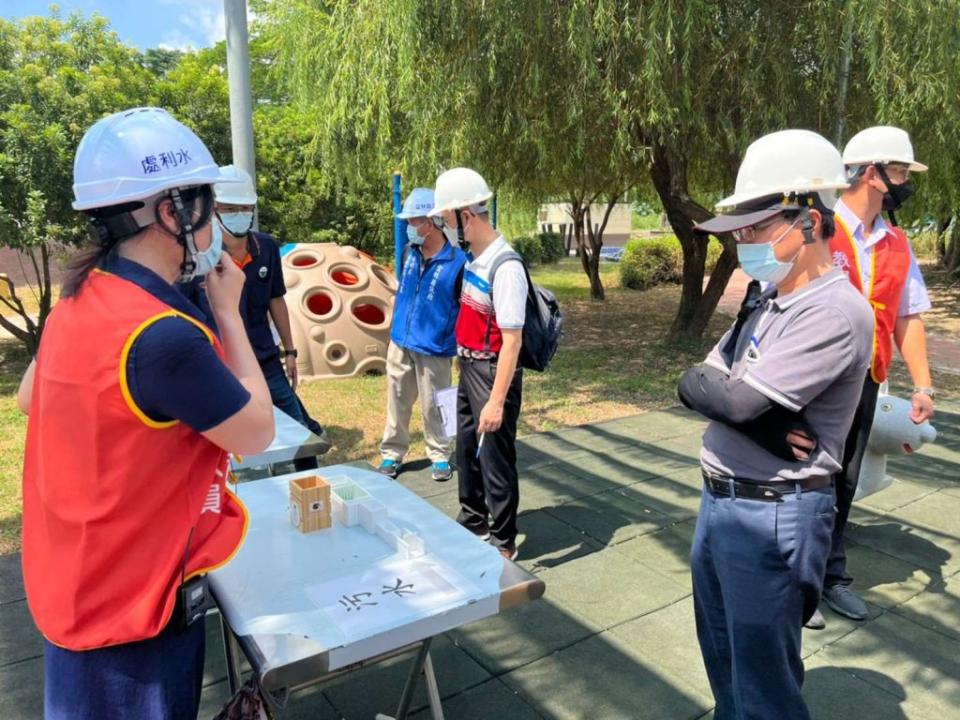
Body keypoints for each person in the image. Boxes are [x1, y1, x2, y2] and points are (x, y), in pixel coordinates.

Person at [17, 107, 274, 719]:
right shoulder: (161, 335)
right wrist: (231, 314)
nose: (217, 224)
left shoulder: (81, 299)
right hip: (132, 612)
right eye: (209, 207)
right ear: (174, 211)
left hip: (75, 590)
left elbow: (32, 398)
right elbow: (258, 431)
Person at [678, 129, 874, 720]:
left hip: (773, 512)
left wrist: (740, 407)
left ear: (810, 220)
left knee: (763, 688)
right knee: (725, 663)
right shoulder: (768, 295)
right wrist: (761, 423)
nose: (745, 241)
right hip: (723, 501)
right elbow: (695, 382)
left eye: (757, 227)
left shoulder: (835, 312)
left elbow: (732, 402)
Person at [804, 126, 935, 629]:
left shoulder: (897, 242)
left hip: (865, 381)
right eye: (899, 171)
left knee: (844, 481)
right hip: (813, 382)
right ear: (871, 172)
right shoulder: (817, 226)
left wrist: (922, 385)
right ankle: (799, 582)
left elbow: (908, 315)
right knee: (805, 478)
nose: (904, 181)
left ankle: (831, 576)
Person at [180, 165, 331, 471]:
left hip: (265, 360)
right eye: (230, 208)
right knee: (236, 447)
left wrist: (290, 351)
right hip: (221, 364)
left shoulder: (267, 248)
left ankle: (312, 497)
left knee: (302, 438)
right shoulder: (199, 257)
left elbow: (276, 300)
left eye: (245, 208)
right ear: (214, 210)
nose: (240, 214)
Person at [428, 167, 527, 561]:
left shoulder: (506, 267)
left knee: (495, 456)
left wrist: (497, 400)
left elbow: (513, 339)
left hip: (492, 371)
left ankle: (504, 540)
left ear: (465, 215)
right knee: (467, 448)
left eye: (446, 218)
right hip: (470, 368)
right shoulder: (475, 260)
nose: (444, 225)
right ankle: (474, 520)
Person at [377, 187, 467, 481]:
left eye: (415, 220)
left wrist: (459, 349)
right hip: (401, 340)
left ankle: (441, 453)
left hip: (436, 346)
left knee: (438, 402)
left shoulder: (458, 262)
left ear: (433, 222)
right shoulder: (409, 253)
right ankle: (391, 452)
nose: (409, 227)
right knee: (397, 398)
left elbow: (463, 308)